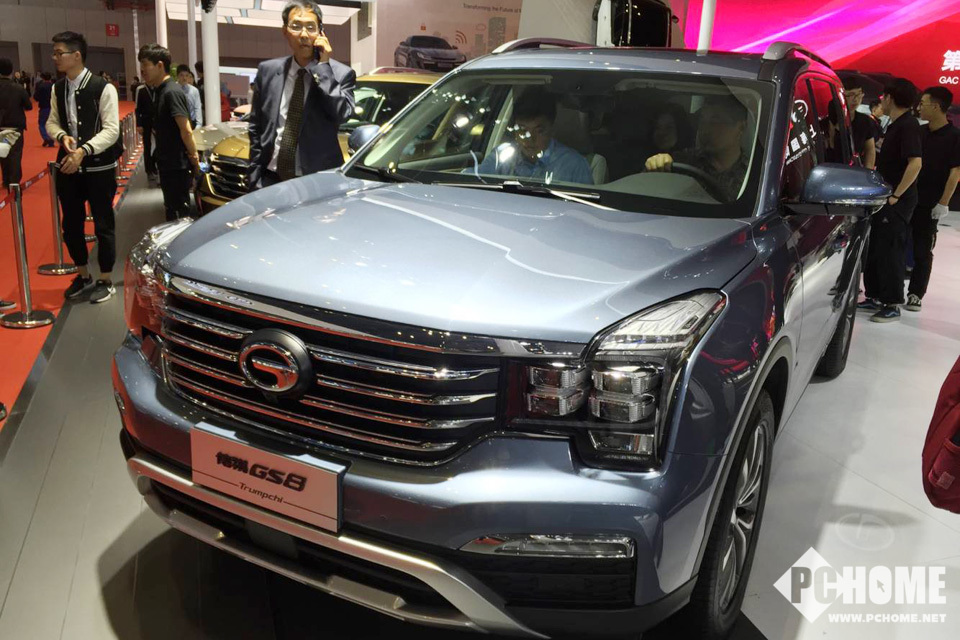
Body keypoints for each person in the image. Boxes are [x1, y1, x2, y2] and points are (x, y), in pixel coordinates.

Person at [45, 31, 120, 304]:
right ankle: (83, 274)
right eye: (54, 53)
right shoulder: (57, 88)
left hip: (99, 167)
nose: (55, 58)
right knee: (71, 224)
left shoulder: (103, 87)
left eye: (59, 53)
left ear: (77, 55)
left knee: (103, 224)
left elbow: (112, 130)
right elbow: (51, 122)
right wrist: (61, 135)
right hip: (68, 167)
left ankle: (106, 279)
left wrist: (84, 150)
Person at [248, 0, 356, 188]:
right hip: (270, 178)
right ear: (285, 31)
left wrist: (323, 68)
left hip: (317, 182)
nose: (304, 34)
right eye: (296, 26)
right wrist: (255, 176)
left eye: (311, 27)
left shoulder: (340, 74)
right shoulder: (268, 71)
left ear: (321, 32)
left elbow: (342, 114)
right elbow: (256, 126)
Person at [859, 78, 923, 323]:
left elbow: (915, 163)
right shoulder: (896, 124)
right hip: (886, 197)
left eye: (883, 97)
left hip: (897, 201)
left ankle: (892, 302)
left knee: (891, 251)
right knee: (878, 248)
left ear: (890, 98)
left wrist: (897, 195)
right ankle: (875, 295)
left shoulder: (908, 125)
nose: (881, 101)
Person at [905, 87, 960, 313]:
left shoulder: (955, 137)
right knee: (895, 244)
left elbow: (955, 173)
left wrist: (943, 203)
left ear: (936, 107)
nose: (919, 108)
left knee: (922, 249)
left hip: (930, 202)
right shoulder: (919, 132)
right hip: (908, 197)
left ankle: (916, 293)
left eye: (923, 104)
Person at [475, 87, 593, 185]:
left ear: (552, 130)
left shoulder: (573, 165)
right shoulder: (502, 156)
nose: (529, 139)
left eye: (539, 131)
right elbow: (476, 182)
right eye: (522, 130)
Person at [645, 95, 749, 202]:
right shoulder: (685, 160)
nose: (705, 128)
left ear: (741, 127)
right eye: (702, 120)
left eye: (715, 120)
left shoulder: (752, 175)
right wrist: (658, 164)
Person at [139, 44, 200, 221]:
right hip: (168, 162)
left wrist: (195, 159)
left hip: (177, 165)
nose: (142, 70)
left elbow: (186, 130)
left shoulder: (171, 92)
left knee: (179, 215)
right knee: (172, 211)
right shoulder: (160, 90)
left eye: (145, 65)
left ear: (159, 65)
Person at [0, 58, 32, 190]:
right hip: (15, 126)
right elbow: (29, 106)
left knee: (2, 153)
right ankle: (14, 181)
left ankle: (6, 179)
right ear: (12, 71)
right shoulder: (18, 88)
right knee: (15, 154)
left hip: (0, 126)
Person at [843, 77, 877, 169]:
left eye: (859, 94)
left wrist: (867, 171)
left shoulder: (865, 121)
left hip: (855, 169)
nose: (856, 99)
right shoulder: (831, 120)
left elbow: (870, 149)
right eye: (851, 95)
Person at [135, 80, 156, 178]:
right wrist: (139, 124)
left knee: (161, 145)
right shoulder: (140, 89)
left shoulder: (158, 87)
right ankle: (148, 170)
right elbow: (137, 109)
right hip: (145, 121)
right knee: (147, 146)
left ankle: (154, 164)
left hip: (157, 120)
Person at [33, 71, 55, 147]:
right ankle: (51, 140)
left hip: (44, 107)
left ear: (43, 78)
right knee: (52, 124)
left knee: (42, 124)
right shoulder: (54, 86)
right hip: (53, 107)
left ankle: (46, 138)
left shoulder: (40, 86)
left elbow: (36, 97)